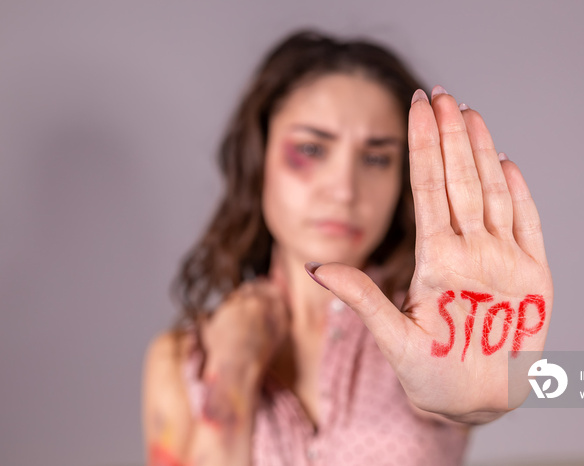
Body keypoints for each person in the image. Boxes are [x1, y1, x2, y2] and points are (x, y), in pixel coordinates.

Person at [142, 29, 553, 466]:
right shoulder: (184, 359)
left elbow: (467, 380)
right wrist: (232, 370)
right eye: (312, 148)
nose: (344, 189)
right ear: (258, 159)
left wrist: (479, 397)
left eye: (376, 158)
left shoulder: (438, 331)